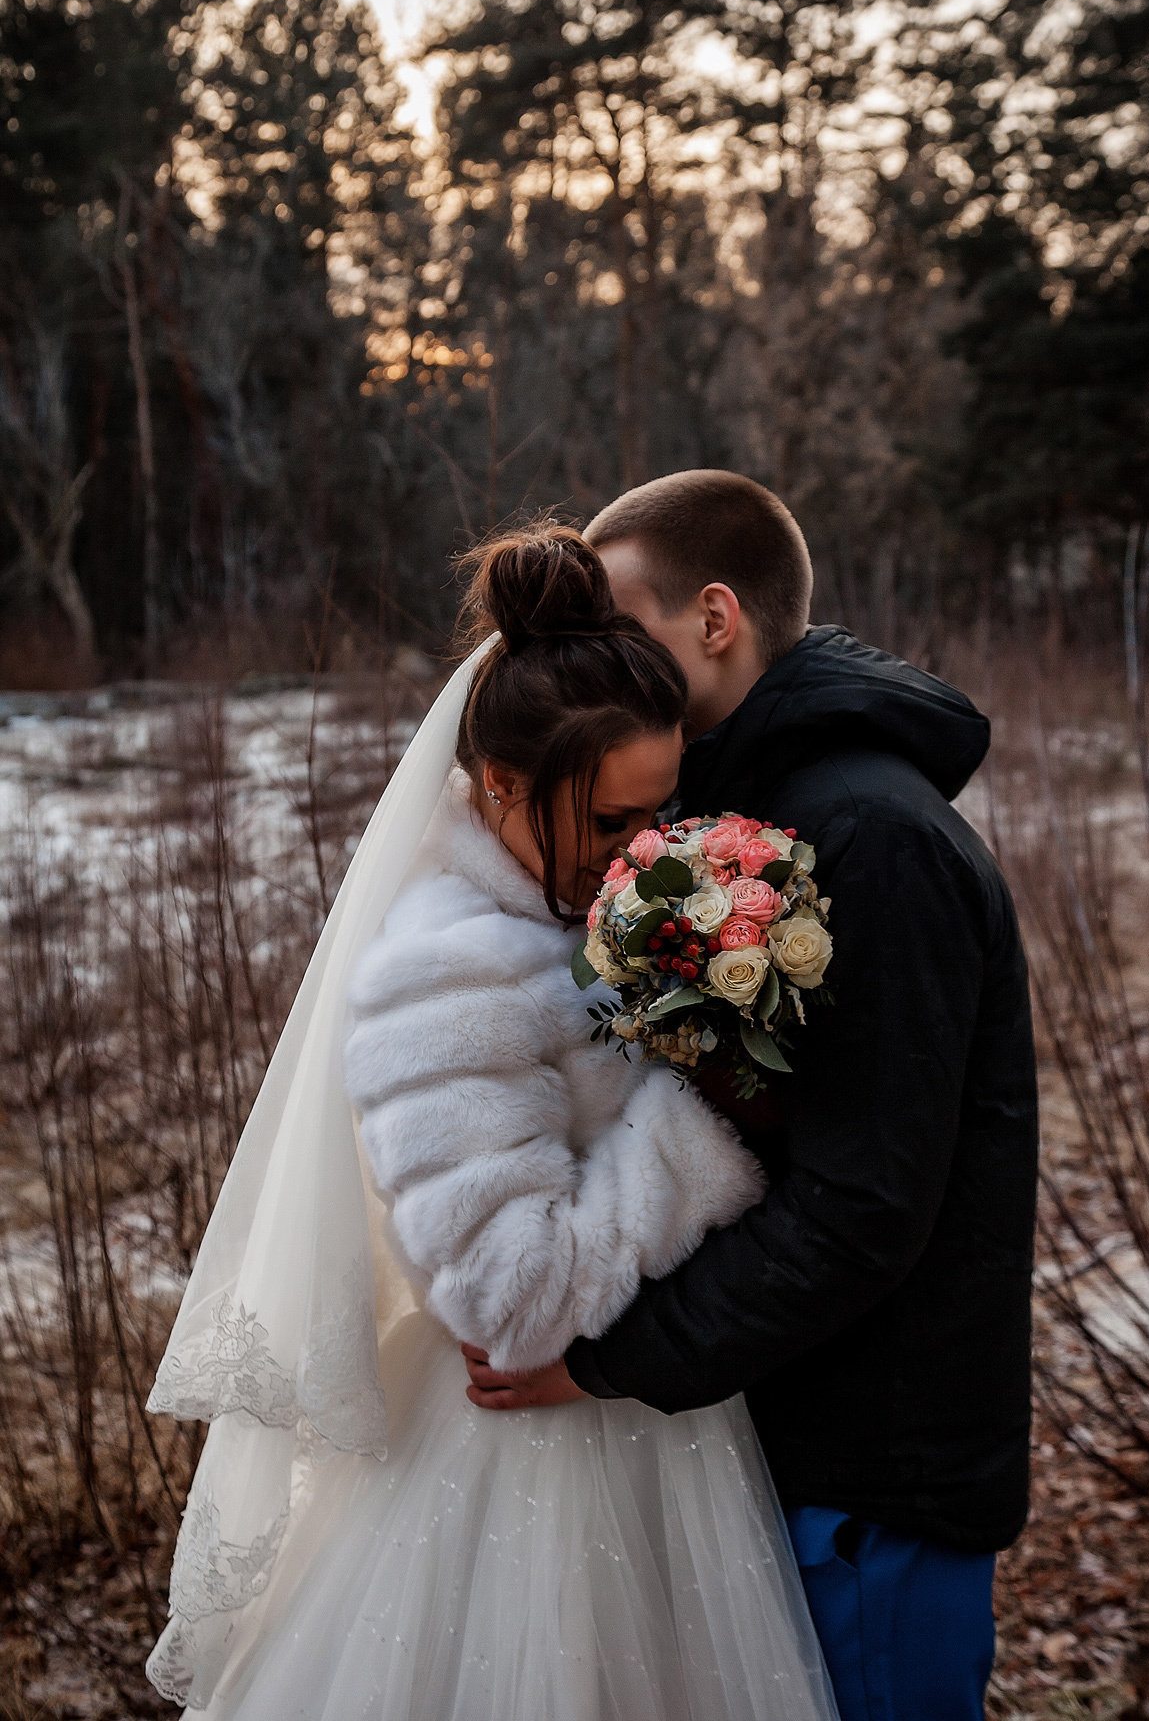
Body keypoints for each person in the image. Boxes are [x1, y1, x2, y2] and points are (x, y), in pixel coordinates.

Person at [144, 521, 839, 1721]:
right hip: (527, 1485)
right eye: (617, 822)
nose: (647, 857)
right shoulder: (446, 974)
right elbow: (512, 1299)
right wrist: (710, 1112)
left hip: (649, 1441)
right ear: (504, 785)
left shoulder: (572, 915)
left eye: (661, 811)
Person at [463, 470, 1040, 1721]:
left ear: (713, 619)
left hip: (876, 1486)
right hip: (789, 1438)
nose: (593, 654)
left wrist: (611, 1359)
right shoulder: (744, 811)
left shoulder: (873, 836)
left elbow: (863, 1209)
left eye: (623, 627)